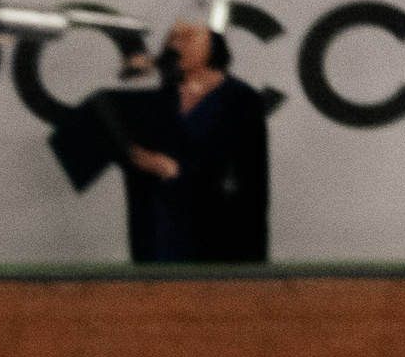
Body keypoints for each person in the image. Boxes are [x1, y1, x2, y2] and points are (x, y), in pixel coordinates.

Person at [46, 19, 269, 264]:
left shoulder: (240, 99)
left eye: (187, 37)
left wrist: (180, 172)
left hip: (218, 228)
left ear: (213, 45)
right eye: (172, 38)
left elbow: (245, 171)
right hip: (158, 228)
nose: (176, 45)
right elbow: (95, 116)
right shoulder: (157, 99)